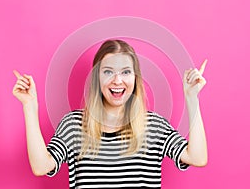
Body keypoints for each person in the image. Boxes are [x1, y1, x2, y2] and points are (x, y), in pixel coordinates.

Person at [13, 39, 208, 188]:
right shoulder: (74, 125)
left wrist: (192, 98)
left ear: (135, 77)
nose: (117, 80)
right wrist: (29, 106)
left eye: (125, 72)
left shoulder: (153, 126)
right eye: (108, 72)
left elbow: (197, 158)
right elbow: (41, 166)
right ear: (97, 78)